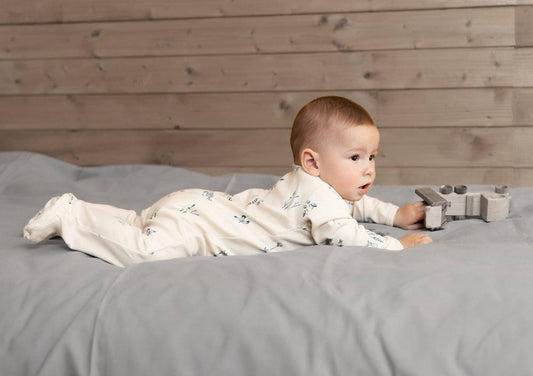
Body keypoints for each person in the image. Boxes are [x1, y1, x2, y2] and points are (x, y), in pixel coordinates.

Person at [23, 96, 431, 267]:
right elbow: (348, 234)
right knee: (145, 250)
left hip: (198, 204)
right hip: (199, 226)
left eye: (373, 157)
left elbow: (354, 202)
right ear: (313, 162)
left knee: (136, 221)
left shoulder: (317, 187)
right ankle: (71, 214)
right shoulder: (321, 203)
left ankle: (98, 214)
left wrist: (394, 214)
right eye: (356, 158)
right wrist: (395, 245)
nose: (368, 170)